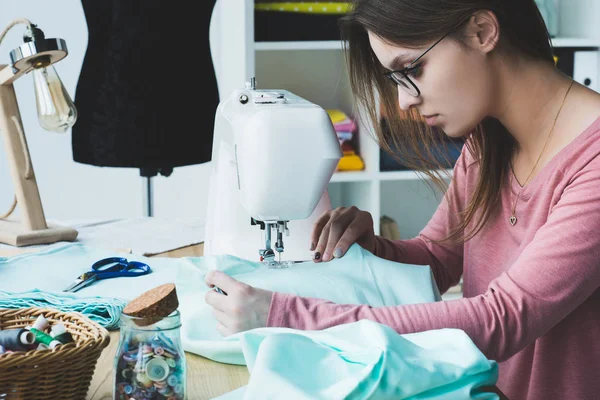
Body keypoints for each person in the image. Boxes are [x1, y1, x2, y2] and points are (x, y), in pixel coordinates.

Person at [204, 0, 600, 398]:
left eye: (412, 70)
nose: (403, 102)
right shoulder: (489, 140)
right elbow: (437, 259)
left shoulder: (593, 164)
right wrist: (373, 249)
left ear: (482, 32)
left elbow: (503, 319)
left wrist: (285, 316)